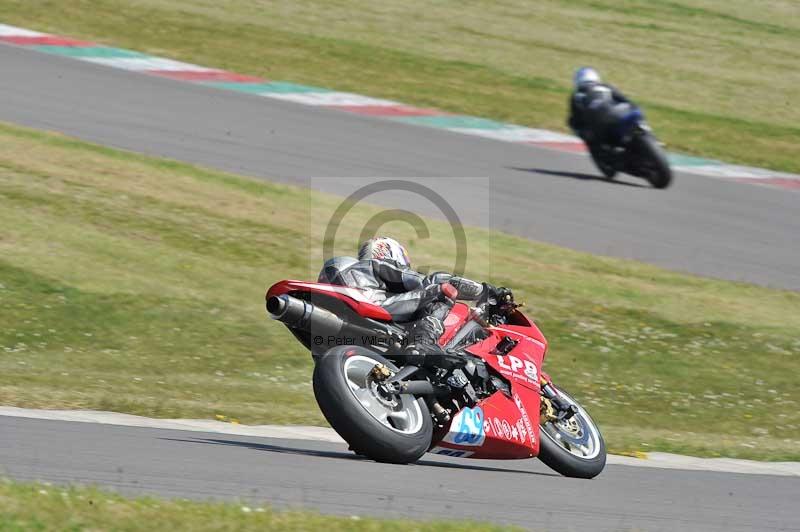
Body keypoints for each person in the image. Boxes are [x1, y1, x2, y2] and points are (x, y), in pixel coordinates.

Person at [318, 236, 509, 364]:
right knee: (441, 290)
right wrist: (486, 292)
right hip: (369, 307)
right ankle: (423, 342)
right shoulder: (376, 265)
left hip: (350, 327)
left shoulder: (356, 274)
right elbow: (429, 281)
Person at [568, 67, 633, 146]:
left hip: (599, 125)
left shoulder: (577, 95)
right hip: (615, 115)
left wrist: (581, 131)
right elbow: (624, 99)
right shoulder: (606, 86)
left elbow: (575, 118)